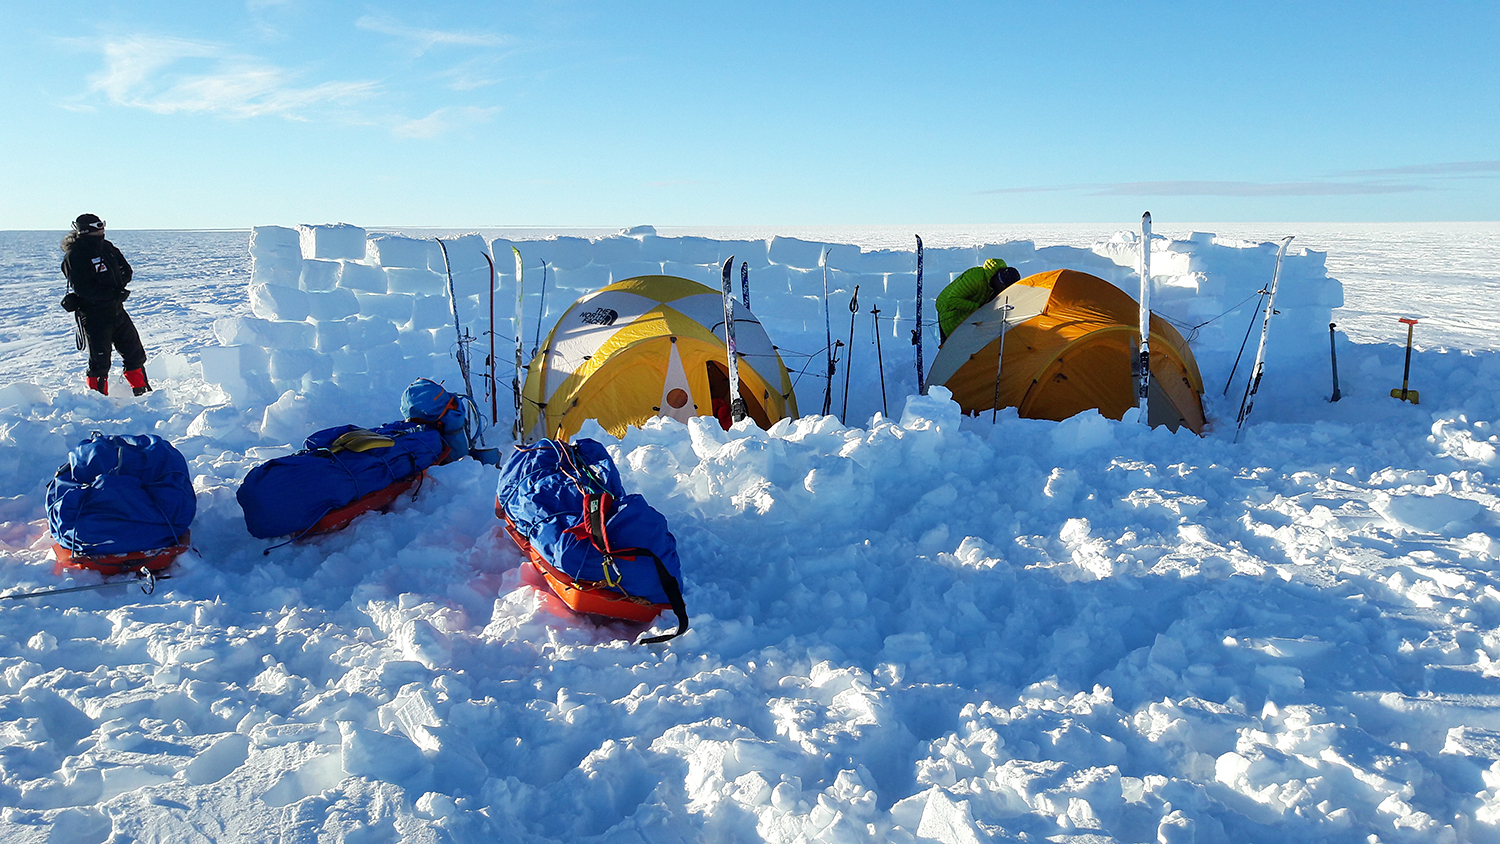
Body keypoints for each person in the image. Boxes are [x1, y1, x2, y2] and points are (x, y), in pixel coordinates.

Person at [60, 214, 151, 396]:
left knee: (135, 353)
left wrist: (118, 286)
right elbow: (83, 288)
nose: (103, 228)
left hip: (116, 311)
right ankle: (98, 402)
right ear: (87, 229)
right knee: (100, 362)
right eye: (99, 225)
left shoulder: (106, 247)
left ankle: (142, 394)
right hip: (94, 316)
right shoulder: (75, 255)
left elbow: (126, 268)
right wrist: (111, 293)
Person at [935, 257, 1022, 343]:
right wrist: (978, 308)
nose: (1004, 291)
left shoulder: (996, 285)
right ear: (999, 281)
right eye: (1004, 288)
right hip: (949, 309)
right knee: (953, 345)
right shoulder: (975, 279)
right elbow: (952, 300)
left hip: (970, 313)